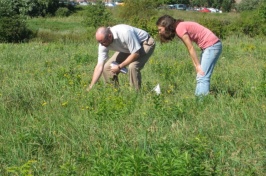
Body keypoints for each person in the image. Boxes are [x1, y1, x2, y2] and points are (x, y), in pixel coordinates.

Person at [156, 15, 222, 96]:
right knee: (200, 75)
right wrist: (196, 65)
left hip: (212, 46)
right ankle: (198, 100)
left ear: (166, 26)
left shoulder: (179, 28)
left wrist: (198, 65)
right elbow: (189, 49)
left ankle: (202, 103)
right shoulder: (179, 27)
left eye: (160, 29)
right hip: (210, 46)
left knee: (202, 76)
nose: (159, 32)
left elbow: (190, 47)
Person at [86, 24, 155, 91]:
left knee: (133, 66)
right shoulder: (103, 43)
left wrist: (119, 66)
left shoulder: (125, 32)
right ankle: (115, 93)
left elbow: (135, 54)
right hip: (127, 48)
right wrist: (91, 86)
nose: (101, 45)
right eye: (99, 42)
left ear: (109, 36)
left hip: (144, 43)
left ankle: (135, 95)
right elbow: (99, 66)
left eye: (103, 42)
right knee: (107, 68)